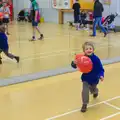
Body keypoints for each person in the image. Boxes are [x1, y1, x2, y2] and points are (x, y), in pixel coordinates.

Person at [71, 41, 104, 112]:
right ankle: (84, 104)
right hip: (85, 79)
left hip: (95, 78)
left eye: (90, 48)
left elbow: (101, 68)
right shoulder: (82, 58)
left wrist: (101, 75)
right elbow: (74, 65)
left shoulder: (96, 59)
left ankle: (95, 91)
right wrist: (74, 63)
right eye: (87, 49)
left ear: (93, 49)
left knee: (93, 89)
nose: (89, 50)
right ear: (84, 51)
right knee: (85, 91)